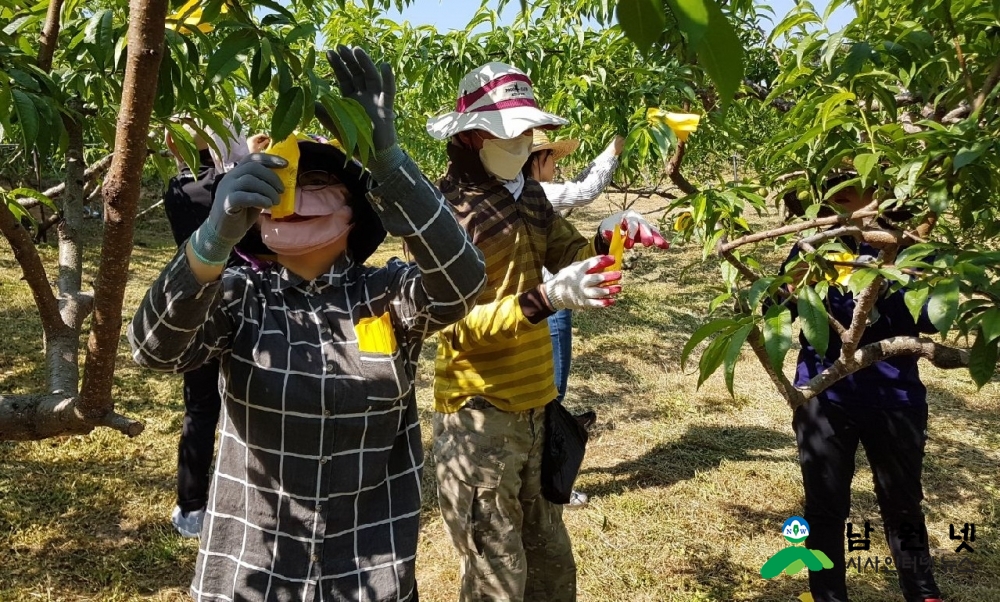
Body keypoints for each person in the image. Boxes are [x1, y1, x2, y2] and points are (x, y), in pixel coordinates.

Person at [129, 47, 485, 601]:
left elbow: (463, 281)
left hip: (372, 569)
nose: (296, 197)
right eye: (283, 185)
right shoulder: (239, 296)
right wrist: (208, 242)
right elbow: (152, 350)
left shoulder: (385, 294)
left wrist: (390, 161)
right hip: (255, 568)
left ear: (354, 210)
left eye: (317, 180)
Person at [425, 62, 669, 602]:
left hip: (538, 405)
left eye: (527, 132)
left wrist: (611, 239)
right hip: (480, 413)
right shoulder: (446, 211)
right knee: (496, 571)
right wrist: (546, 298)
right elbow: (448, 322)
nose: (524, 142)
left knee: (551, 563)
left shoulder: (529, 196)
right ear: (470, 137)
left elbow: (572, 254)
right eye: (507, 132)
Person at [778, 176, 942, 602]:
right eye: (830, 199)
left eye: (849, 195)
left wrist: (895, 279)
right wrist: (789, 287)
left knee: (903, 504)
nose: (838, 206)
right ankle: (828, 595)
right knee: (825, 507)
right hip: (825, 395)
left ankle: (922, 592)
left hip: (894, 397)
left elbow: (934, 317)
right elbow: (778, 302)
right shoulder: (817, 246)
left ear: (881, 197)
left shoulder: (911, 247)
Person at [161, 121, 273, 538]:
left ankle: (192, 505)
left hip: (200, 307)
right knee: (246, 404)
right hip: (240, 309)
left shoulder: (176, 187)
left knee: (201, 407)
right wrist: (252, 156)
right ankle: (239, 501)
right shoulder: (223, 186)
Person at [525, 130, 626, 509]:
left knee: (550, 396)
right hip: (549, 305)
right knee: (552, 396)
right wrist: (613, 148)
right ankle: (551, 485)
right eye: (550, 157)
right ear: (533, 161)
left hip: (545, 302)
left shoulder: (532, 197)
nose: (556, 163)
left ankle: (545, 482)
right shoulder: (538, 194)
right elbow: (584, 190)